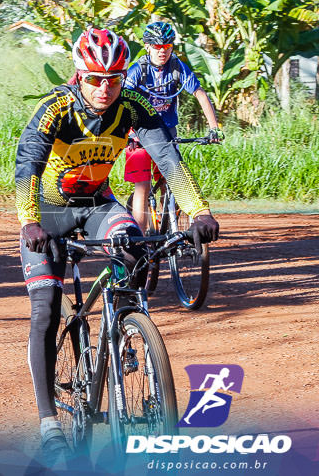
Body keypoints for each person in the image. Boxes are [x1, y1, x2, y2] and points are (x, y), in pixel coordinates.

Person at [14, 27, 220, 460]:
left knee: (133, 246)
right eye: (94, 78)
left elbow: (167, 156)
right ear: (79, 74)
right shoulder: (56, 108)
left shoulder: (132, 108)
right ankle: (49, 420)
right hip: (49, 211)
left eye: (113, 78)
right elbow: (28, 164)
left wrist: (198, 210)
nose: (104, 87)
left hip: (98, 205)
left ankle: (126, 330)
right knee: (46, 308)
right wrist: (30, 220)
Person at [124, 20, 222, 231]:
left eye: (168, 46)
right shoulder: (137, 70)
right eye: (158, 47)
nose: (163, 51)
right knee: (142, 187)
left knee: (173, 181)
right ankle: (140, 243)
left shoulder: (177, 67)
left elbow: (200, 94)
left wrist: (214, 127)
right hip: (139, 134)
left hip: (168, 132)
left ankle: (168, 226)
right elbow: (122, 102)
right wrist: (128, 133)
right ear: (148, 46)